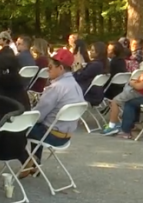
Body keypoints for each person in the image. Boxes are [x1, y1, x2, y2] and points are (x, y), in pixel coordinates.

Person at [19, 49, 84, 178]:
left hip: (51, 135)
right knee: (38, 127)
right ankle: (35, 164)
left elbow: (37, 116)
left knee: (15, 129)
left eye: (50, 67)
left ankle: (28, 160)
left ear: (60, 68)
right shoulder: (75, 85)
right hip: (66, 136)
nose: (47, 70)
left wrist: (21, 116)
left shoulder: (56, 88)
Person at [101, 72, 143, 136]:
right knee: (130, 103)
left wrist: (131, 83)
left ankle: (112, 126)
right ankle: (131, 125)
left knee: (115, 101)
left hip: (139, 93)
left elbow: (139, 86)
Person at [74, 41, 108, 106]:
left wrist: (77, 70)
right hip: (98, 93)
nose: (90, 52)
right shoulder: (104, 63)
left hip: (89, 94)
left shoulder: (95, 65)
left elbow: (79, 77)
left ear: (98, 53)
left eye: (92, 50)